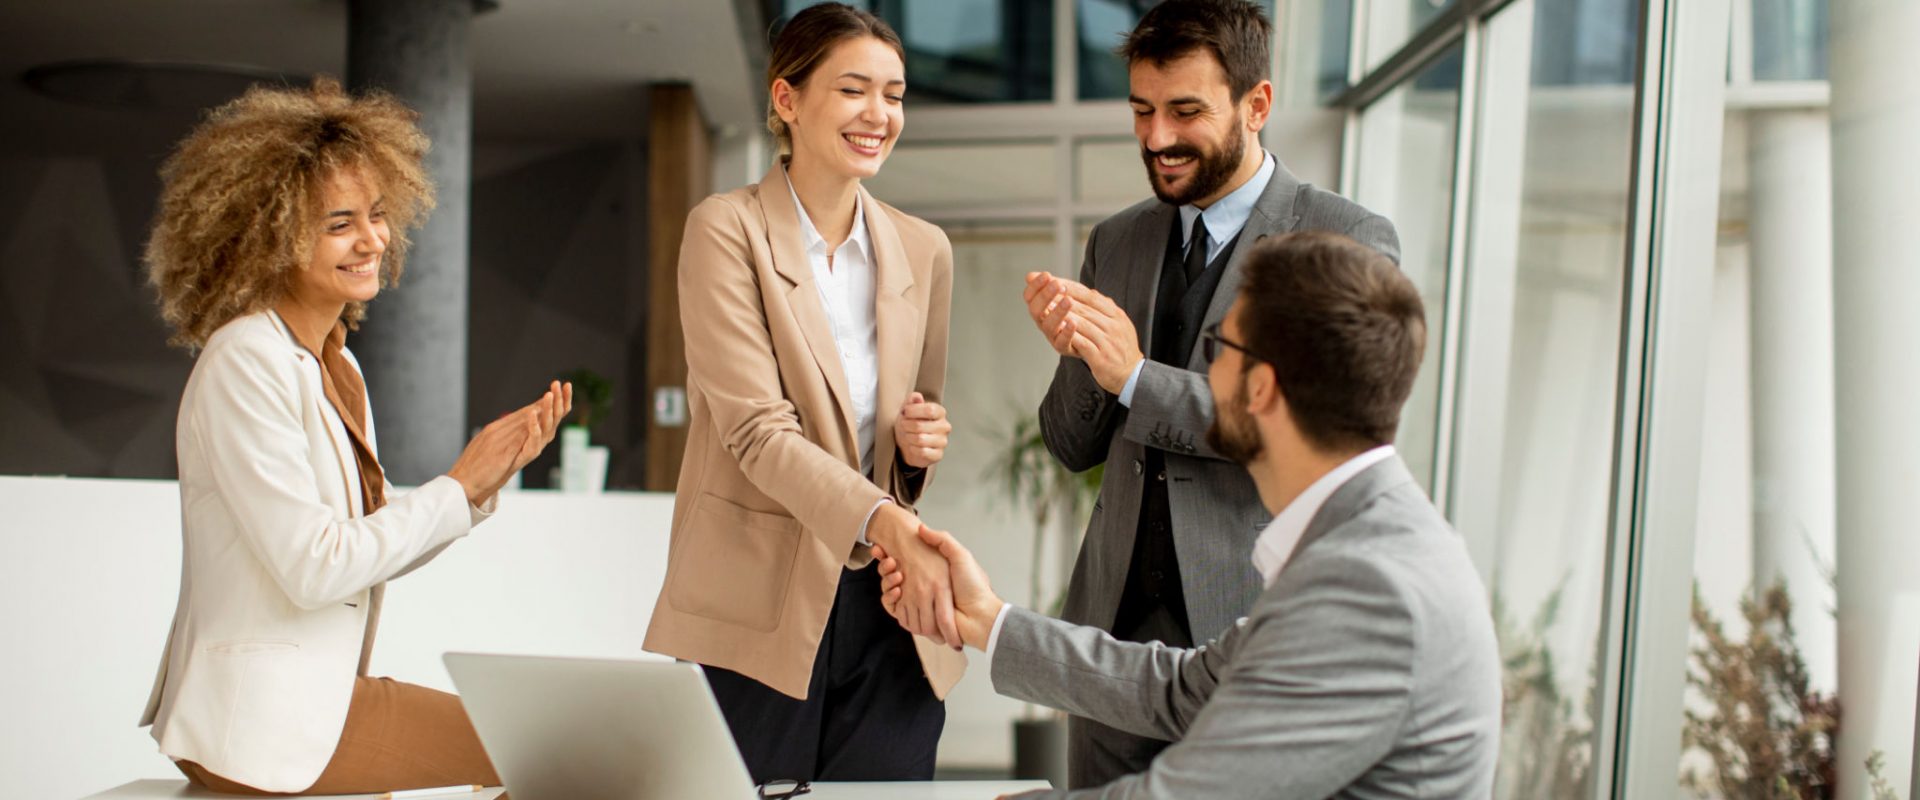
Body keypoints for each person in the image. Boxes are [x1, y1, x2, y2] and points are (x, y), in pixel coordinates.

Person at [881, 232, 1501, 799]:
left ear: (1260, 388)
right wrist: (989, 619)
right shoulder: (1364, 541)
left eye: (1217, 346)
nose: (1202, 371)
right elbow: (1184, 688)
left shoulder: (1369, 586)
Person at [137, 79, 572, 795]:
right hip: (260, 724)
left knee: (543, 748)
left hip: (316, 701)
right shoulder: (246, 360)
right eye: (340, 223)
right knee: (544, 751)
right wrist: (454, 486)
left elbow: (364, 550)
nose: (372, 239)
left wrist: (476, 493)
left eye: (375, 214)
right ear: (272, 235)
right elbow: (317, 568)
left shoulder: (337, 364)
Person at [1024, 0, 1402, 786]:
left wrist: (1133, 374)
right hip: (1110, 637)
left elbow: (1290, 430)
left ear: (1256, 104)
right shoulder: (1117, 240)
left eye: (1186, 111)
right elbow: (1069, 445)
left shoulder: (1344, 240)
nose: (1157, 138)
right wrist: (1082, 358)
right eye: (1142, 111)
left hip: (1251, 627)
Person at [640, 2, 964, 784]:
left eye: (894, 94)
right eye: (854, 90)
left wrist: (917, 451)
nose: (879, 115)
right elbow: (755, 432)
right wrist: (889, 521)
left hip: (885, 604)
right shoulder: (726, 231)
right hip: (758, 598)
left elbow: (906, 431)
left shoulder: (924, 249)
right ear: (787, 99)